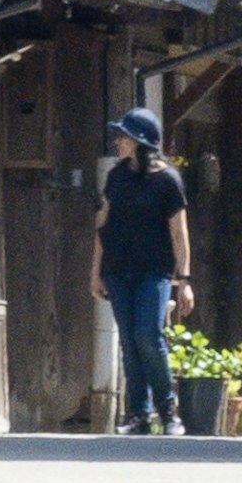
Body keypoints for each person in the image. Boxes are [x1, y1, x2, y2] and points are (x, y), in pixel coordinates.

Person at [98, 105, 193, 434]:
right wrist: (95, 270)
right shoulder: (116, 176)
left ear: (140, 141)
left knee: (148, 336)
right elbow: (103, 223)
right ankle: (139, 414)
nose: (118, 142)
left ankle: (169, 412)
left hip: (155, 272)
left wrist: (185, 280)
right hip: (117, 270)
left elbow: (179, 233)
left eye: (123, 137)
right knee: (128, 339)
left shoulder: (168, 181)